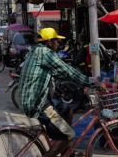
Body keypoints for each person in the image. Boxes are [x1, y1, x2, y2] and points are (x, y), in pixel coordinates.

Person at [19, 28, 96, 157]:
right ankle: (60, 144)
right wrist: (91, 82)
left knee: (67, 110)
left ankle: (67, 152)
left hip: (38, 99)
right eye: (56, 41)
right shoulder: (45, 53)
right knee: (69, 134)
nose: (58, 44)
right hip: (37, 103)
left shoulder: (35, 50)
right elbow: (67, 70)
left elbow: (58, 72)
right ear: (49, 42)